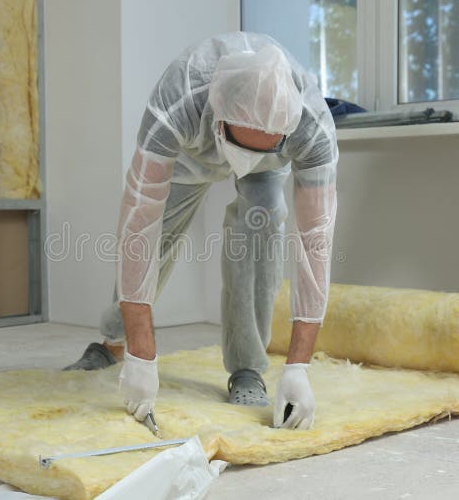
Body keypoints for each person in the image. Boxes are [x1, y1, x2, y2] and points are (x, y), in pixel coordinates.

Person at [64, 32, 338, 431]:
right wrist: (143, 355)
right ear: (220, 116)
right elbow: (139, 225)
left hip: (269, 169)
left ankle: (247, 369)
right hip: (191, 159)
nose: (245, 161)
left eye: (266, 143)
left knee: (259, 239)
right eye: (243, 144)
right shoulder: (179, 99)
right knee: (154, 247)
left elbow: (316, 243)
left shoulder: (311, 125)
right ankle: (115, 344)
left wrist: (299, 367)